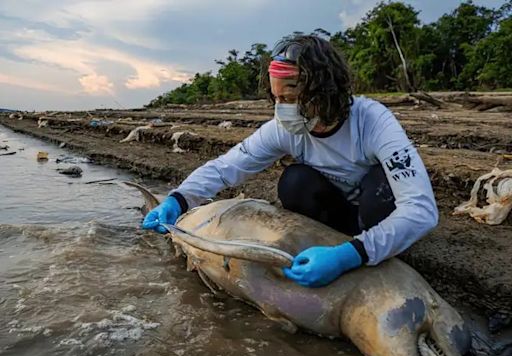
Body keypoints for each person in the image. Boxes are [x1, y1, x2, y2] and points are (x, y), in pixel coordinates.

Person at [142, 34, 438, 288]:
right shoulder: (285, 128)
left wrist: (350, 255)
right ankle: (331, 248)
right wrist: (179, 199)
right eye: (277, 100)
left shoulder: (373, 122)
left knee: (382, 185)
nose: (284, 110)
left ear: (326, 91)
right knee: (295, 181)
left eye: (293, 98)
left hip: (374, 213)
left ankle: (369, 249)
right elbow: (227, 167)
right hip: (336, 215)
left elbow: (421, 210)